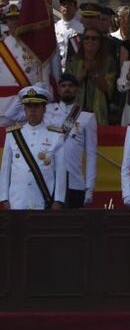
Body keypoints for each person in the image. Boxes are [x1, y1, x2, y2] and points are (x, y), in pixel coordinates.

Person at [0, 86, 65, 210]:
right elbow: (5, 170)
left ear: (44, 109)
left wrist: (58, 200)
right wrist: (4, 198)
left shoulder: (55, 136)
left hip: (43, 201)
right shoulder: (13, 135)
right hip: (17, 201)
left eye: (36, 105)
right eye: (29, 106)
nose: (32, 110)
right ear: (24, 109)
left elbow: (60, 172)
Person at [45, 73, 97, 208]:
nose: (67, 88)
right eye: (63, 86)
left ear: (77, 89)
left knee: (73, 227)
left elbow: (91, 155)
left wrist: (89, 187)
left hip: (75, 181)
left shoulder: (87, 117)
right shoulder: (46, 111)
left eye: (71, 85)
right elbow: (14, 114)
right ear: (58, 90)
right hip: (50, 179)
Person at [66, 28, 116, 125]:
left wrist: (94, 73)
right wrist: (82, 74)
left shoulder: (108, 62)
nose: (90, 41)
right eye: (86, 38)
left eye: (94, 39)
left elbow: (109, 89)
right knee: (70, 137)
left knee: (95, 139)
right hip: (73, 111)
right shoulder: (73, 61)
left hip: (98, 112)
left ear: (100, 42)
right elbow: (66, 89)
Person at [55, 0, 84, 70]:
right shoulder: (55, 28)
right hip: (58, 68)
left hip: (75, 69)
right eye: (64, 4)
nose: (66, 7)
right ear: (60, 8)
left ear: (76, 8)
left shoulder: (81, 29)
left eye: (70, 4)